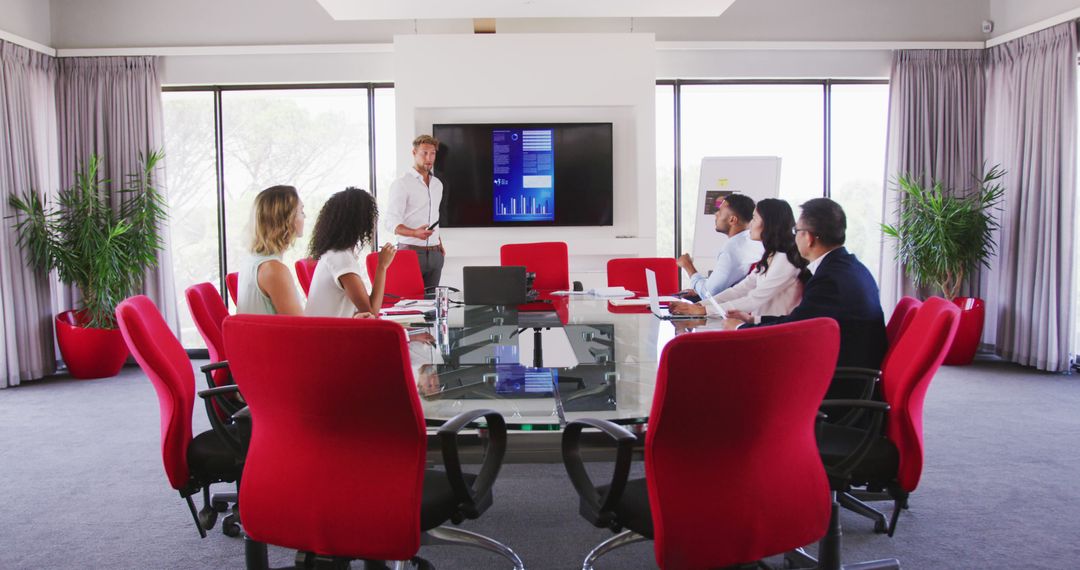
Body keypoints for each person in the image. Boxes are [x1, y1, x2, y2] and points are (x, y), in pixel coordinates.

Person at [729, 197, 887, 370]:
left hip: (840, 377)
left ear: (809, 238)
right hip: (845, 365)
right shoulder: (848, 267)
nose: (794, 236)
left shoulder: (830, 281)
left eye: (796, 231)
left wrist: (740, 329)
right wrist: (755, 319)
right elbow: (802, 319)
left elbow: (795, 329)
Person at [670, 198, 806, 320]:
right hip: (762, 327)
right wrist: (701, 304)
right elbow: (741, 289)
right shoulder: (771, 256)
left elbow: (754, 299)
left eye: (754, 219)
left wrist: (703, 310)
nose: (750, 224)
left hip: (777, 331)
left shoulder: (784, 260)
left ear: (769, 224)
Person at [305, 187, 396, 319]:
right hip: (329, 337)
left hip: (324, 332)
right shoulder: (341, 258)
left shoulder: (333, 254)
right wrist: (382, 266)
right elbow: (371, 312)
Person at [676, 193, 763, 301]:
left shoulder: (731, 250)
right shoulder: (754, 243)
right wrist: (699, 288)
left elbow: (709, 294)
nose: (716, 214)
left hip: (729, 311)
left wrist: (688, 266)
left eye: (720, 212)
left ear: (732, 220)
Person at [236, 185, 305, 316]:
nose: (304, 216)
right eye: (301, 211)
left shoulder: (252, 260)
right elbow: (300, 329)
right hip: (271, 337)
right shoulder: (273, 269)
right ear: (287, 219)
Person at [386, 134, 444, 288]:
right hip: (410, 252)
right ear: (414, 153)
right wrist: (414, 233)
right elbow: (390, 222)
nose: (429, 158)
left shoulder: (438, 184)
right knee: (411, 304)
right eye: (424, 153)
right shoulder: (402, 184)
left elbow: (434, 217)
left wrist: (439, 242)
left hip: (435, 254)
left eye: (432, 153)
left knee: (433, 306)